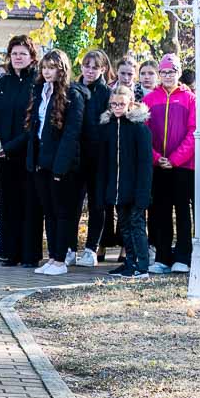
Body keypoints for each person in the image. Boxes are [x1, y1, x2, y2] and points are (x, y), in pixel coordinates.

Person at [28, 49, 87, 276]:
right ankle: (52, 257)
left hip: (61, 165)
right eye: (44, 68)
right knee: (49, 212)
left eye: (51, 68)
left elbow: (71, 134)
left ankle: (61, 259)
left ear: (61, 69)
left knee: (62, 212)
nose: (47, 72)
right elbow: (35, 128)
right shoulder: (41, 91)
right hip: (41, 162)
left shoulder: (73, 94)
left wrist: (60, 168)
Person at [0, 35, 42, 268]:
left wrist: (7, 148)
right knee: (8, 204)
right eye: (14, 53)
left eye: (23, 53)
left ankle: (30, 255)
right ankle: (10, 253)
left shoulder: (37, 84)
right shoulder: (2, 84)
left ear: (32, 57)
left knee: (29, 205)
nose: (18, 58)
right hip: (3, 156)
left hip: (28, 154)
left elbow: (34, 124)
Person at [142, 54, 195, 274]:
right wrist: (156, 158)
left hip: (182, 166)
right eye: (163, 72)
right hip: (158, 166)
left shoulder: (189, 99)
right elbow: (143, 133)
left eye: (171, 72)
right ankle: (162, 257)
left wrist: (175, 159)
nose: (167, 76)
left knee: (182, 211)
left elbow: (193, 132)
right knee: (160, 212)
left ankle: (183, 256)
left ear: (178, 72)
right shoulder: (150, 99)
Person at [97, 85, 152, 277]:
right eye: (113, 104)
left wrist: (143, 193)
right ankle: (130, 262)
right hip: (117, 188)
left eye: (121, 104)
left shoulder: (139, 129)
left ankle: (142, 266)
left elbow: (145, 164)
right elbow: (104, 162)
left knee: (137, 225)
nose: (117, 107)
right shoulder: (108, 127)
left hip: (135, 189)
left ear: (130, 103)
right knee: (124, 226)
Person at [73, 50, 115, 266]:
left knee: (97, 204)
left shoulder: (107, 93)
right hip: (75, 156)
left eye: (95, 67)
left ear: (103, 69)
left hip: (98, 157)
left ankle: (91, 248)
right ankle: (70, 247)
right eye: (87, 66)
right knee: (73, 204)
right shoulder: (72, 89)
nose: (90, 71)